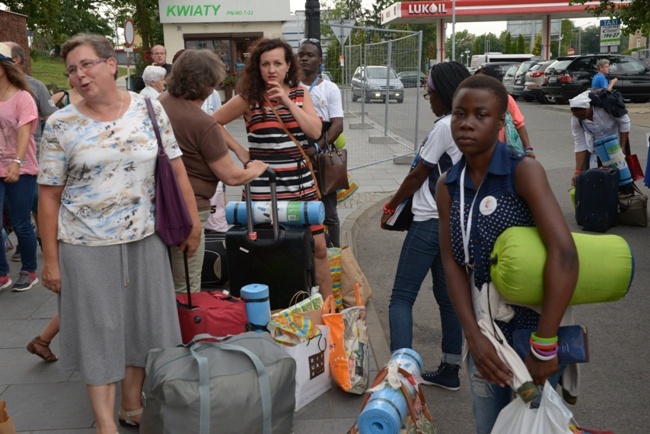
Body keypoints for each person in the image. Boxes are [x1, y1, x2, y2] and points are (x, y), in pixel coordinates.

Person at [38, 33, 201, 433]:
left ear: (111, 64)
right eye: (72, 69)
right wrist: (51, 261)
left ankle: (132, 405)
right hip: (86, 245)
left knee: (142, 325)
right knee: (100, 333)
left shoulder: (149, 109)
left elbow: (176, 168)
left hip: (146, 239)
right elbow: (48, 197)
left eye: (86, 64)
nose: (79, 75)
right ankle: (104, 424)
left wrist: (193, 222)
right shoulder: (60, 124)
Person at [436, 74, 579, 433]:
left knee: (534, 426)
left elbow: (564, 255)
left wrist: (545, 346)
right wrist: (474, 337)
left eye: (480, 115)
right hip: (486, 339)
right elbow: (452, 263)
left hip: (535, 336)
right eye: (458, 114)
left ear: (500, 123)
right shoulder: (448, 185)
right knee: (490, 428)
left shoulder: (523, 172)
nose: (466, 123)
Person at [212, 38, 333, 299]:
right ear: (257, 67)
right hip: (262, 189)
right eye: (265, 64)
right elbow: (212, 122)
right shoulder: (248, 98)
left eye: (278, 63)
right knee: (264, 249)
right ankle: (273, 304)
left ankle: (328, 310)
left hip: (300, 186)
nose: (271, 69)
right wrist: (239, 150)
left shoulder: (301, 93)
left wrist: (288, 102)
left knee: (319, 247)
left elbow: (314, 131)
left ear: (288, 65)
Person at [380, 62, 468, 390]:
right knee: (448, 299)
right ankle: (450, 368)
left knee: (401, 297)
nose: (427, 97)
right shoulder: (465, 123)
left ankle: (399, 375)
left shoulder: (445, 126)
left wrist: (391, 205)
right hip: (453, 224)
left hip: (430, 222)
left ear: (444, 93)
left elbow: (418, 173)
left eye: (429, 91)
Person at [159, 49, 268, 293]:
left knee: (160, 282)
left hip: (156, 205)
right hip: (189, 212)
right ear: (208, 86)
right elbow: (231, 176)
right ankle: (185, 330)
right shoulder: (202, 123)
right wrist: (257, 168)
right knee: (185, 286)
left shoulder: (158, 104)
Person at [3, 41, 58, 263]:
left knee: (35, 203)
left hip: (30, 158)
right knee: (17, 210)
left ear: (13, 61)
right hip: (4, 161)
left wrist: (52, 152)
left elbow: (51, 118)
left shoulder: (33, 87)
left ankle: (46, 239)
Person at [0, 43, 40, 292]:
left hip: (21, 168)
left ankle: (29, 270)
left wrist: (17, 161)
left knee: (21, 221)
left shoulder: (22, 97)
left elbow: (25, 132)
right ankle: (2, 274)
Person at [298, 38, 344, 247]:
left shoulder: (330, 88)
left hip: (322, 154)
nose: (305, 58)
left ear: (320, 61)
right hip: (297, 151)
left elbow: (337, 126)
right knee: (300, 209)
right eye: (301, 55)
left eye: (310, 55)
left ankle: (335, 255)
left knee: (329, 212)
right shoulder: (290, 88)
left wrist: (316, 148)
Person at [569, 89, 632, 190]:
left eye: (583, 114)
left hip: (615, 147)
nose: (581, 118)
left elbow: (625, 122)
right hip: (594, 151)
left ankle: (624, 202)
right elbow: (580, 143)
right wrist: (577, 171)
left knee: (621, 180)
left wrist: (622, 146)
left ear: (589, 107)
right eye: (578, 116)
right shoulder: (576, 119)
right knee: (596, 184)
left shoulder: (607, 108)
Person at [474, 65, 535, 158]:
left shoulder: (506, 99)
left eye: (483, 81)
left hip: (504, 153)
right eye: (476, 82)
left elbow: (519, 124)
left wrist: (528, 148)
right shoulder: (471, 103)